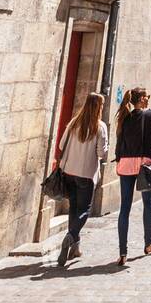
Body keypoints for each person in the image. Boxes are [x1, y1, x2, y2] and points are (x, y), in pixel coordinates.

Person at [56, 91, 108, 267]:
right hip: (86, 174)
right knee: (84, 210)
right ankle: (70, 236)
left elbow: (61, 144)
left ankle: (75, 247)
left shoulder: (74, 123)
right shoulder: (100, 127)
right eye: (102, 105)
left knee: (73, 208)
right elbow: (102, 153)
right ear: (98, 107)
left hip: (69, 171)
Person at [114, 86, 151, 267]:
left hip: (127, 163)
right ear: (142, 98)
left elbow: (120, 141)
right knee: (147, 203)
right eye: (147, 96)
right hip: (145, 164)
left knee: (124, 208)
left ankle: (122, 253)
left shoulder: (125, 117)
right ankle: (148, 243)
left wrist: (119, 158)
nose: (148, 99)